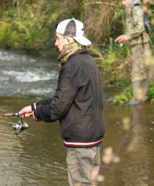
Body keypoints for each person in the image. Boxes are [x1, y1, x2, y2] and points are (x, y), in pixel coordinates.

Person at [18, 18, 105, 186]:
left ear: (69, 39)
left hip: (80, 140)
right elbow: (67, 98)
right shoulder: (87, 61)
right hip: (92, 136)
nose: (56, 43)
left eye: (58, 38)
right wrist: (34, 106)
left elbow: (58, 108)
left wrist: (38, 114)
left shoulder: (72, 66)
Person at [115, 0, 152, 106]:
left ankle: (137, 99)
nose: (122, 2)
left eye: (124, 0)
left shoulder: (136, 9)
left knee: (137, 69)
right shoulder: (132, 9)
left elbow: (140, 28)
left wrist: (127, 36)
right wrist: (126, 37)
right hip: (137, 42)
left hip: (140, 43)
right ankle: (142, 96)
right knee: (141, 68)